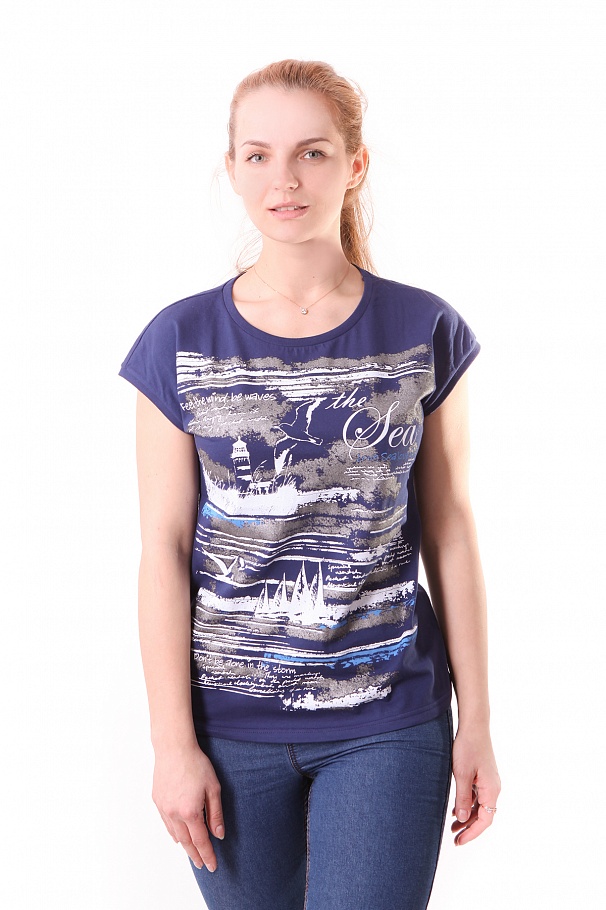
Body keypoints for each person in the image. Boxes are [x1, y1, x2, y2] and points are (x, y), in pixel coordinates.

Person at [120, 59, 500, 910]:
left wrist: (476, 721)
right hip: (227, 731)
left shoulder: (424, 329)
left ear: (354, 165)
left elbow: (451, 531)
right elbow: (163, 550)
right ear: (232, 169)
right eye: (258, 155)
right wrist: (172, 745)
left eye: (312, 153)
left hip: (388, 720)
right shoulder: (178, 340)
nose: (283, 179)